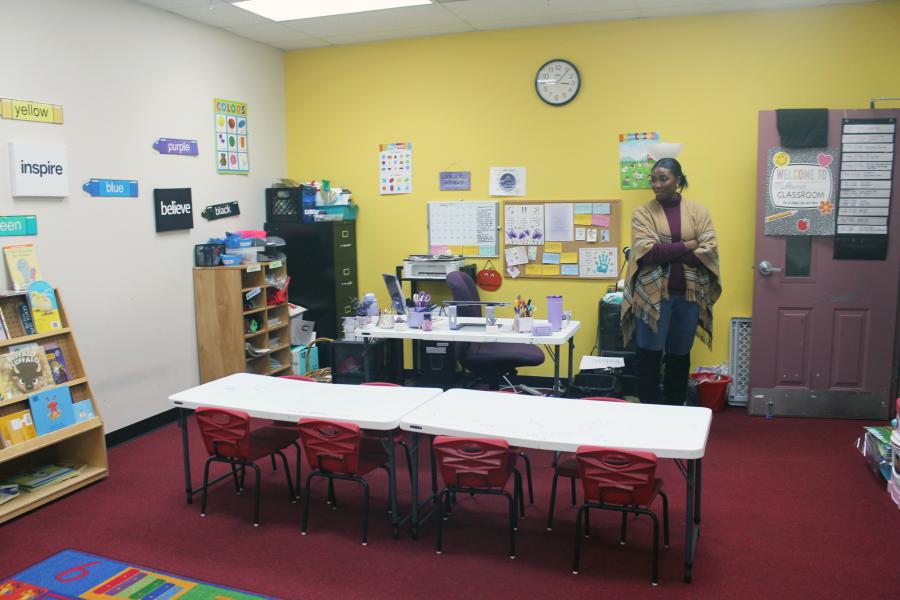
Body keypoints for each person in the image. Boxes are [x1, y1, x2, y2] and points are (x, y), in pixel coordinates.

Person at [620, 158, 721, 405]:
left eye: (663, 178)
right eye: (653, 179)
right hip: (653, 296)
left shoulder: (699, 212)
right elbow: (647, 253)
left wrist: (666, 250)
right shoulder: (642, 213)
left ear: (678, 179)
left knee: (679, 355)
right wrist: (688, 245)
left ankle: (676, 408)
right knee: (649, 355)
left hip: (688, 294)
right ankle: (649, 409)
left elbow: (707, 252)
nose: (657, 184)